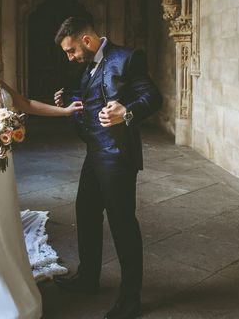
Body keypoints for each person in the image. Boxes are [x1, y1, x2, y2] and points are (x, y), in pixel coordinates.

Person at [0, 27, 83, 319]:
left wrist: (66, 112)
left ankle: (11, 283)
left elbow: (26, 105)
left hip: (2, 170)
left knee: (6, 225)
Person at [53, 17, 162, 319]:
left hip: (117, 155)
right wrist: (72, 102)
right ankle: (89, 279)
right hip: (95, 153)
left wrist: (127, 113)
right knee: (85, 212)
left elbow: (152, 97)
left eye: (71, 50)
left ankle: (131, 299)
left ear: (86, 41)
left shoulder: (127, 58)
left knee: (122, 224)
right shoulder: (89, 66)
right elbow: (96, 99)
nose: (70, 57)